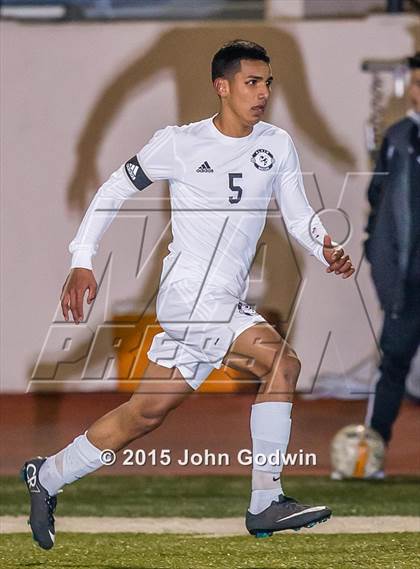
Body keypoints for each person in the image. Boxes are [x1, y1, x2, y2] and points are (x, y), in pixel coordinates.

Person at [22, 40, 354, 549]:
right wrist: (82, 259)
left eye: (267, 83)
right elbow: (113, 189)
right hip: (189, 297)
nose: (263, 93)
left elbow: (298, 215)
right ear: (222, 86)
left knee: (144, 413)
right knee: (282, 364)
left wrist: (324, 246)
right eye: (251, 82)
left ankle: (45, 476)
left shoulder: (277, 144)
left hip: (221, 300)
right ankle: (266, 501)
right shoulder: (180, 143)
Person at [364, 52, 420, 459]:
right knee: (393, 363)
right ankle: (369, 452)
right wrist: (375, 254)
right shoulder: (398, 138)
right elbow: (377, 200)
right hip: (408, 282)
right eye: (418, 84)